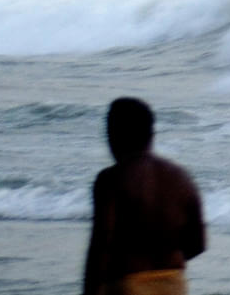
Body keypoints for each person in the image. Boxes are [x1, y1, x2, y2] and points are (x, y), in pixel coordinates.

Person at [81, 96, 206, 295]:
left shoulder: (111, 179)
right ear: (151, 134)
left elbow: (101, 245)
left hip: (127, 284)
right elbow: (198, 245)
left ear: (114, 134)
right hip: (174, 284)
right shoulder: (182, 178)